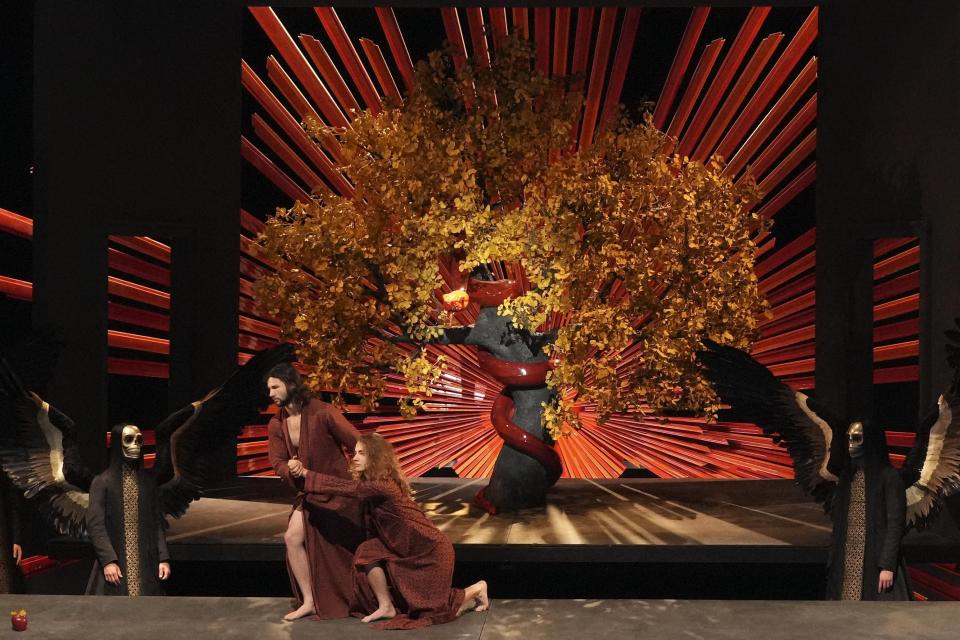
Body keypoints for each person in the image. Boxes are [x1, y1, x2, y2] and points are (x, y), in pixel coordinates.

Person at [296, 433, 489, 629]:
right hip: (402, 544)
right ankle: (385, 605)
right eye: (355, 453)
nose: (354, 458)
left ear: (375, 457)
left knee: (433, 611)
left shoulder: (380, 485)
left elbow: (345, 487)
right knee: (367, 552)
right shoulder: (376, 483)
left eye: (362, 453)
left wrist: (306, 474)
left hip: (431, 549)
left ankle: (477, 589)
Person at [266, 363, 363, 621]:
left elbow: (357, 442)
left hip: (337, 492)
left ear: (291, 384)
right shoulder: (277, 423)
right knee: (292, 538)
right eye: (269, 388)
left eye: (275, 386)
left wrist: (362, 474)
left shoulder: (323, 412)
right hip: (309, 492)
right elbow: (277, 461)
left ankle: (358, 595)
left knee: (346, 549)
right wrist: (291, 468)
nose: (271, 393)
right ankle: (309, 600)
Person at [826, 419, 911, 600]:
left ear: (871, 440)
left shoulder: (889, 477)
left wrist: (887, 565)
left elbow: (896, 524)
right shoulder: (848, 477)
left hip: (874, 556)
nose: (851, 444)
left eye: (856, 438)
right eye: (849, 438)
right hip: (847, 555)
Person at [86, 423, 171, 596]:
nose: (135, 446)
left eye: (139, 441)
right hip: (117, 564)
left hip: (146, 563)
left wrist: (163, 557)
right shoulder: (102, 482)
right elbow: (95, 525)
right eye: (129, 440)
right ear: (118, 443)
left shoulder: (147, 482)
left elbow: (156, 522)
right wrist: (108, 560)